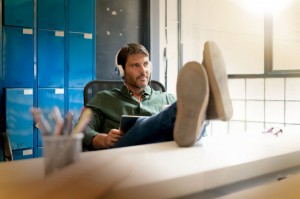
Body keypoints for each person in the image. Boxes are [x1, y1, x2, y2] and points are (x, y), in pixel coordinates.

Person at [83, 42, 233, 150]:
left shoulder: (167, 97)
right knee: (143, 123)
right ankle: (208, 100)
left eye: (146, 64)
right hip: (124, 149)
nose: (143, 70)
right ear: (122, 71)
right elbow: (82, 129)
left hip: (164, 150)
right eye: (135, 65)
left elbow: (197, 132)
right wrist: (101, 139)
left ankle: (206, 111)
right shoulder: (103, 98)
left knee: (181, 119)